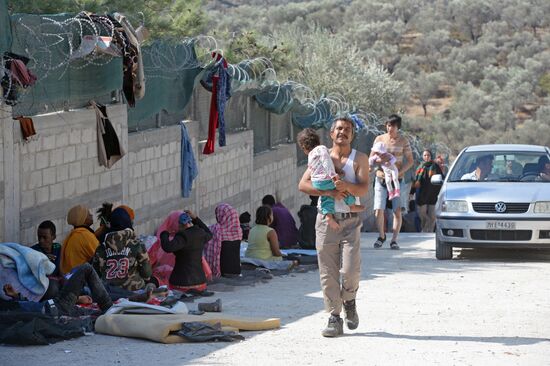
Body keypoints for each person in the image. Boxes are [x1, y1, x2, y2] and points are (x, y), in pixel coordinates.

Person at [298, 116, 370, 338]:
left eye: (347, 129)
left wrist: (344, 185)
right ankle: (334, 317)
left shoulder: (360, 159)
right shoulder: (320, 156)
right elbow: (303, 185)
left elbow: (363, 189)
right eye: (339, 128)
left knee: (350, 269)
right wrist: (329, 192)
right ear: (331, 134)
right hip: (325, 220)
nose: (343, 132)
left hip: (349, 220)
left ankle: (349, 301)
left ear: (352, 134)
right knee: (327, 271)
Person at [297, 128, 364, 230]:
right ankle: (351, 205)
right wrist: (334, 175)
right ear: (318, 141)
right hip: (326, 179)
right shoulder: (321, 149)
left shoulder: (311, 156)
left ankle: (329, 217)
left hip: (317, 182)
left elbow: (315, 168)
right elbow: (327, 163)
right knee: (344, 188)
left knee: (326, 197)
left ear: (304, 147)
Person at [370, 115, 414, 250]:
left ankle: (394, 240)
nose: (390, 128)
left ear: (398, 127)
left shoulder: (403, 141)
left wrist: (400, 173)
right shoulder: (379, 139)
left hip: (397, 180)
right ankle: (381, 236)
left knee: (397, 211)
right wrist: (376, 163)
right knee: (378, 210)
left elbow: (410, 161)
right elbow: (371, 157)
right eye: (388, 125)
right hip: (380, 178)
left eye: (393, 126)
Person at [1, 263, 113, 316]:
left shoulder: (13, 308)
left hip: (57, 307)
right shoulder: (11, 311)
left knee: (95, 314)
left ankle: (108, 309)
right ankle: (108, 306)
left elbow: (30, 305)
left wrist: (16, 296)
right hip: (58, 306)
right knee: (86, 268)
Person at [93, 207, 153, 291]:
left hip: (109, 292)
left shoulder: (101, 247)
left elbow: (95, 274)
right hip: (134, 290)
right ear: (128, 223)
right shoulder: (136, 244)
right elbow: (147, 273)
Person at [160, 211, 212, 293]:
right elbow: (209, 233)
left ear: (179, 224)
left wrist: (164, 234)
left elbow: (167, 247)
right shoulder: (200, 233)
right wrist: (196, 219)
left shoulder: (182, 237)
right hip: (200, 282)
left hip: (183, 283)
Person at [203, 203, 243, 278]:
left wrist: (195, 219)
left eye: (217, 214)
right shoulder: (238, 231)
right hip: (237, 271)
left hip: (223, 272)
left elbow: (205, 230)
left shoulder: (217, 231)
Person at [60, 205, 99, 274]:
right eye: (88, 214)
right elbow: (100, 255)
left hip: (70, 277)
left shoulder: (76, 233)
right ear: (83, 219)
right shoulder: (84, 235)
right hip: (79, 278)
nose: (91, 215)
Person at [413, 150, 443, 232]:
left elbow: (441, 178)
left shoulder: (435, 167)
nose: (426, 157)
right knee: (422, 214)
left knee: (432, 216)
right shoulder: (420, 167)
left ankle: (429, 232)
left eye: (428, 155)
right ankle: (424, 229)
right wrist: (412, 192)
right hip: (422, 194)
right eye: (425, 155)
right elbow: (415, 181)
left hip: (433, 194)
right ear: (422, 156)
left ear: (431, 156)